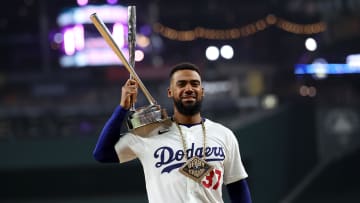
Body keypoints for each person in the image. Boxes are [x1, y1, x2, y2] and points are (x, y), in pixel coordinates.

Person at [93, 62, 252, 203]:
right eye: (181, 84)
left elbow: (237, 185)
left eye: (194, 84)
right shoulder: (149, 133)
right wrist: (122, 108)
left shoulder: (224, 134)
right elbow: (102, 154)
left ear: (202, 91)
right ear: (170, 92)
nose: (189, 88)